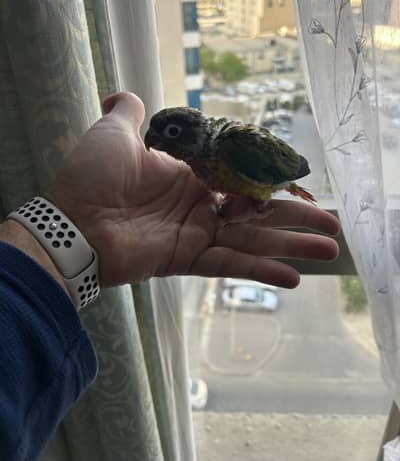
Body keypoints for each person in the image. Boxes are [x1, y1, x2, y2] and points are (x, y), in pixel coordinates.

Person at [0, 92, 340, 460]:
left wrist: (256, 202)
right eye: (159, 133)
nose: (156, 142)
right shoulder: (201, 163)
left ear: (194, 134)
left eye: (173, 133)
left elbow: (286, 168)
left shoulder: (233, 149)